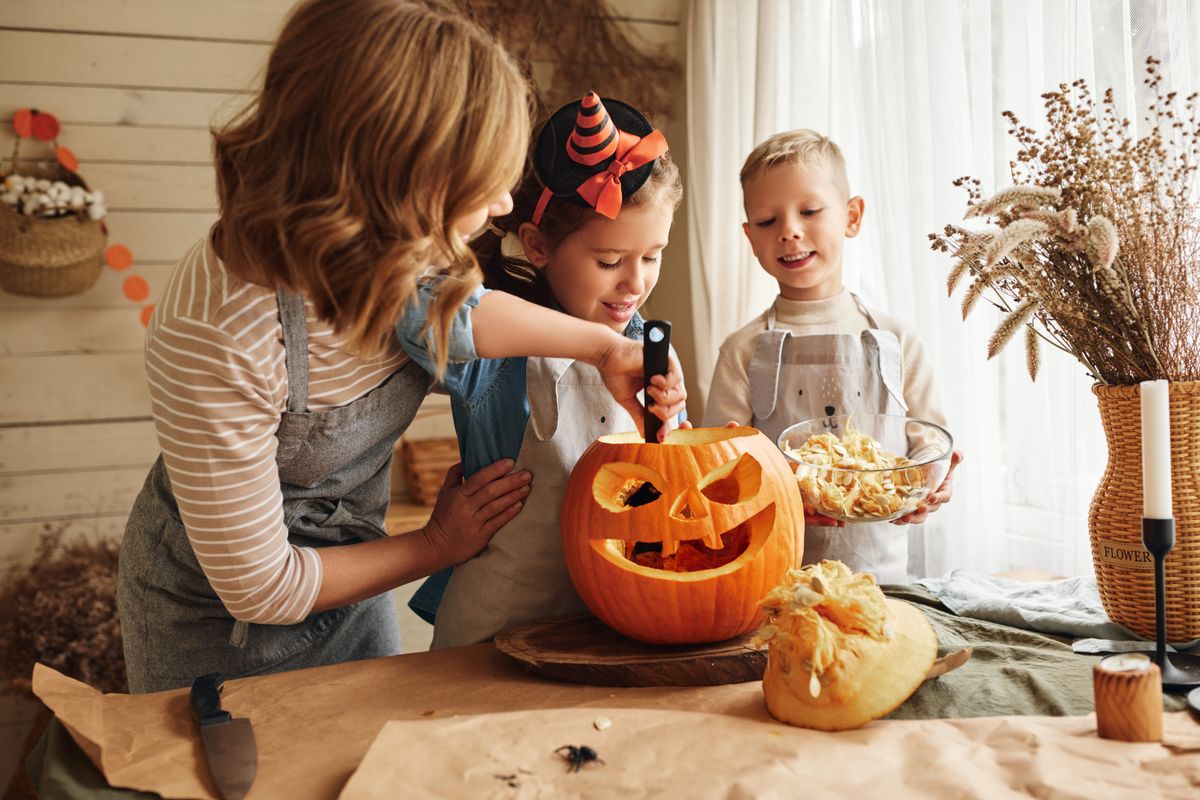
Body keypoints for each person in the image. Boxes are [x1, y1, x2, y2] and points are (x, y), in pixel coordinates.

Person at [117, 1, 684, 694]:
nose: (505, 205)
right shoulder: (216, 333)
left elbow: (468, 318)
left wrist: (607, 350)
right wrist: (436, 546)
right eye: (485, 183)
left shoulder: (396, 245)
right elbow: (264, 588)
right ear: (401, 184)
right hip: (218, 628)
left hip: (353, 583)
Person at [398, 92, 686, 647]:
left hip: (609, 629)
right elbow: (422, 310)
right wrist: (599, 349)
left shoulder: (645, 342)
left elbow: (670, 482)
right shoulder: (496, 344)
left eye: (652, 256)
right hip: (493, 635)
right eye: (608, 262)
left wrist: (671, 421)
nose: (635, 283)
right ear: (536, 246)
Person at [702, 128, 962, 584]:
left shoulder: (895, 337)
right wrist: (778, 492)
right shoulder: (741, 350)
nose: (789, 231)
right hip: (775, 575)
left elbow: (931, 442)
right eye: (767, 222)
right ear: (750, 237)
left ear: (851, 216)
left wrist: (932, 482)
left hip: (883, 580)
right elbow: (721, 468)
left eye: (809, 211)